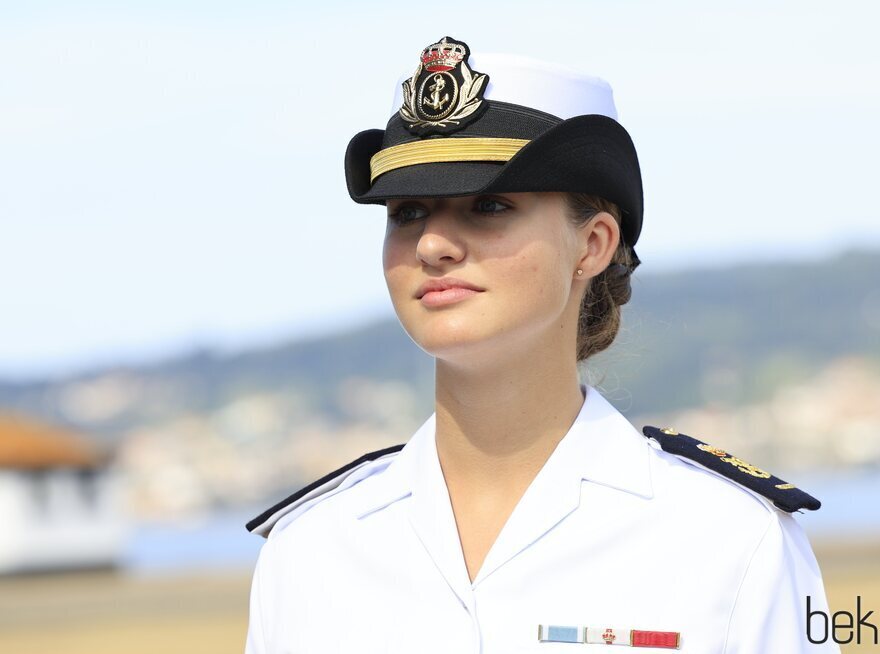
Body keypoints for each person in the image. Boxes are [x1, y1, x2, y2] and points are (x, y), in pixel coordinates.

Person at [244, 36, 839, 653]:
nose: (432, 245)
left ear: (593, 245)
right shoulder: (311, 552)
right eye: (407, 212)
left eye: (489, 205)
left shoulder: (729, 539)